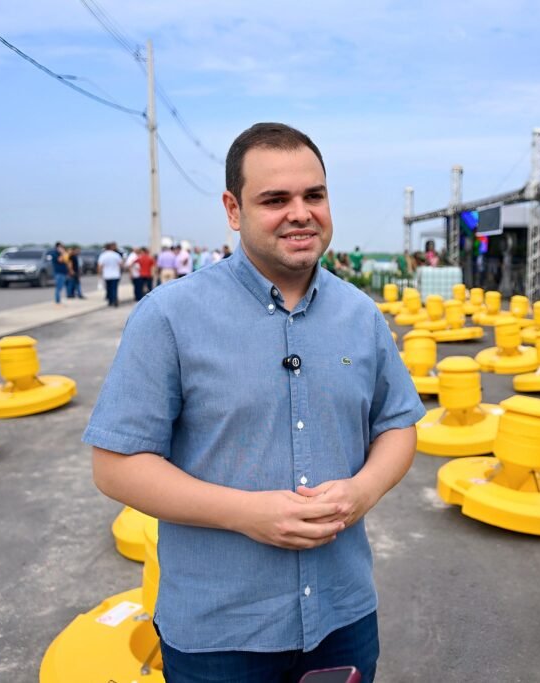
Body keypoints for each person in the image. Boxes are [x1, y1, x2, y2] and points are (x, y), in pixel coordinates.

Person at [84, 122, 424, 683]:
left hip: (342, 616)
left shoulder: (360, 315)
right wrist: (248, 514)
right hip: (220, 634)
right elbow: (116, 465)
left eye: (314, 195)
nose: (300, 213)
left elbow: (397, 424)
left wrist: (363, 491)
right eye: (275, 200)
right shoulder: (169, 317)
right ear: (233, 209)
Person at [97, 242, 123, 307]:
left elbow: (100, 266)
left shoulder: (103, 255)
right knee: (114, 288)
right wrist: (120, 271)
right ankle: (115, 300)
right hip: (115, 274)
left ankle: (110, 301)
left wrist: (99, 274)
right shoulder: (116, 255)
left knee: (108, 288)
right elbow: (121, 264)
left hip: (107, 275)